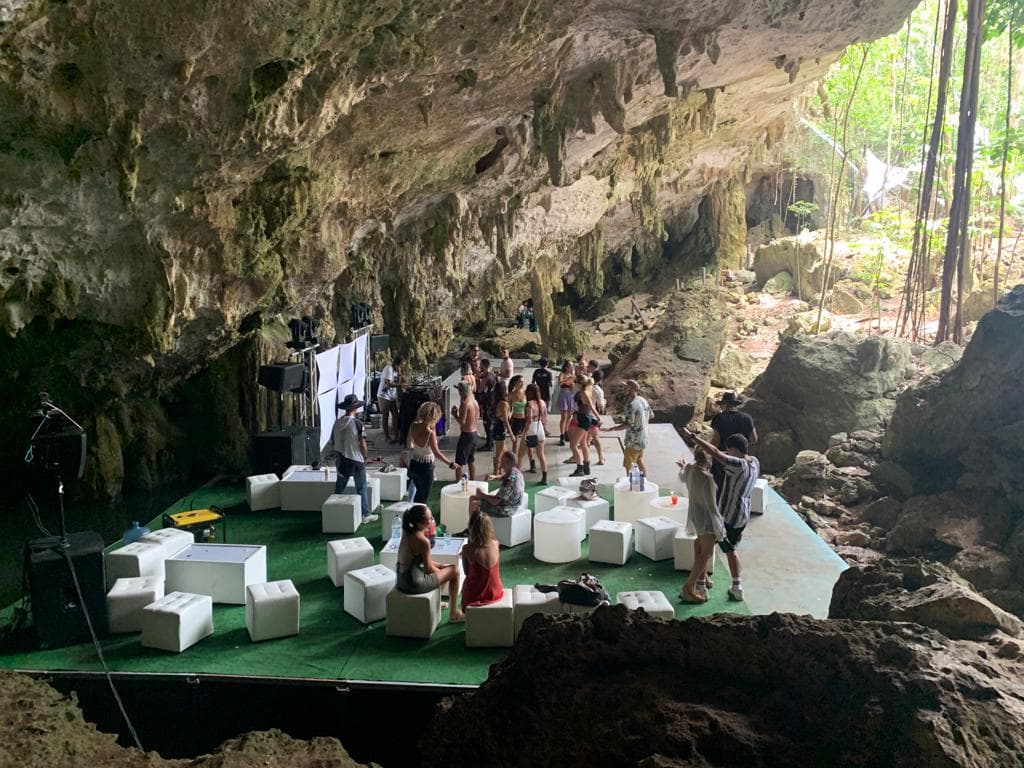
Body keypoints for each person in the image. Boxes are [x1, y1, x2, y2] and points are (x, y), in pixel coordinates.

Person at [682, 429, 760, 602]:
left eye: (730, 450)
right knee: (718, 547)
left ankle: (704, 585)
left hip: (728, 516)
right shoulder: (754, 461)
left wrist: (695, 438)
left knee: (709, 549)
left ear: (736, 450)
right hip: (742, 515)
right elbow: (721, 454)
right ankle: (720, 584)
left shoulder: (738, 465)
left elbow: (716, 453)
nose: (728, 453)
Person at [396, 504, 464, 622]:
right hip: (413, 583)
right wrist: (446, 574)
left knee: (446, 570)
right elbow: (428, 569)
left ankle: (436, 601)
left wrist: (442, 567)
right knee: (455, 571)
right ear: (419, 523)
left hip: (401, 579)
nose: (432, 520)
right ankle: (454, 614)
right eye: (429, 518)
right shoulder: (423, 541)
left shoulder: (407, 532)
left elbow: (424, 561)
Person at [675, 447, 725, 603]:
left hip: (695, 514)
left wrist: (682, 467)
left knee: (699, 544)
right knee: (706, 553)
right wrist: (720, 521)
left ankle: (703, 578)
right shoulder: (707, 478)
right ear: (709, 460)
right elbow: (712, 505)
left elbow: (682, 477)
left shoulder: (690, 469)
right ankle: (689, 587)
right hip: (706, 517)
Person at [321, 394, 379, 524]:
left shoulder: (337, 423)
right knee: (361, 488)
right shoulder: (357, 423)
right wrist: (365, 456)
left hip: (341, 460)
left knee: (339, 488)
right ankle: (365, 514)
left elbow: (333, 441)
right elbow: (362, 443)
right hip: (355, 460)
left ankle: (332, 511)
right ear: (355, 408)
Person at [404, 401, 460, 504]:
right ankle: (418, 511)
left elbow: (409, 444)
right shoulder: (430, 433)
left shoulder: (413, 425)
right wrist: (450, 463)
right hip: (426, 467)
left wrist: (417, 449)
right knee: (423, 498)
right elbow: (437, 453)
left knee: (417, 491)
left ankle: (411, 506)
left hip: (414, 464)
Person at [603, 379, 652, 476]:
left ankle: (631, 484)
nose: (624, 389)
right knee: (639, 460)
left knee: (629, 466)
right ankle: (644, 481)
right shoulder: (643, 400)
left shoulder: (631, 405)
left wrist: (612, 429)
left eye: (626, 388)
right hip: (643, 438)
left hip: (633, 441)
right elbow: (651, 415)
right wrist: (639, 420)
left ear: (632, 389)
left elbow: (628, 424)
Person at [710, 392, 757, 489]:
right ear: (735, 405)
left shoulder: (719, 418)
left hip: (723, 459)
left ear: (724, 405)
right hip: (742, 460)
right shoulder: (747, 418)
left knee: (720, 488)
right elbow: (754, 439)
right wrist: (740, 447)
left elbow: (716, 441)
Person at [461, 512, 504, 609]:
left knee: (467, 581)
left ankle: (461, 612)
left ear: (471, 528)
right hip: (496, 592)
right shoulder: (496, 543)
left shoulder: (467, 549)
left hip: (476, 596)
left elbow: (466, 572)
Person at [469, 451, 524, 518]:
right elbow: (505, 476)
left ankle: (473, 523)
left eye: (502, 462)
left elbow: (495, 501)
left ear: (508, 463)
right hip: (511, 503)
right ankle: (476, 521)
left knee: (474, 504)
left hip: (506, 509)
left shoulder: (509, 482)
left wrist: (481, 494)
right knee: (473, 498)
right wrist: (495, 477)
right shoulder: (515, 471)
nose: (501, 464)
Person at [568, 375, 599, 477]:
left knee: (573, 445)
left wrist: (598, 418)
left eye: (576, 382)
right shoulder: (583, 391)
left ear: (579, 384)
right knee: (583, 443)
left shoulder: (584, 392)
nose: (574, 384)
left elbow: (591, 406)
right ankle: (586, 467)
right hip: (583, 417)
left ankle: (580, 467)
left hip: (584, 419)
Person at [519, 383, 549, 484]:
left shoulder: (529, 404)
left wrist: (524, 435)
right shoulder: (542, 402)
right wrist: (543, 428)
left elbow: (529, 421)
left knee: (520, 455)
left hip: (531, 429)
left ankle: (516, 478)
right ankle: (544, 478)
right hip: (539, 428)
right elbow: (545, 418)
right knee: (541, 455)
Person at [451, 381, 480, 480]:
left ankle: (457, 483)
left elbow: (462, 422)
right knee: (470, 460)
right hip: (474, 433)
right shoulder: (474, 401)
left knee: (458, 463)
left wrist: (455, 414)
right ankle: (472, 480)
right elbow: (477, 416)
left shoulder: (464, 404)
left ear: (461, 392)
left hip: (466, 435)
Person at [377, 356, 404, 444]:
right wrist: (401, 385)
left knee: (395, 415)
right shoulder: (389, 369)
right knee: (386, 415)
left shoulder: (396, 371)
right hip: (384, 396)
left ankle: (396, 436)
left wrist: (399, 373)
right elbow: (388, 384)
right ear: (397, 364)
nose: (402, 366)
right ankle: (387, 437)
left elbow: (398, 382)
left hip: (392, 396)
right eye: (402, 365)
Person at [490, 380, 512, 475]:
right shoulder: (503, 403)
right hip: (500, 429)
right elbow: (506, 420)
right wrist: (511, 434)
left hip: (497, 428)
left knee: (504, 452)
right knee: (499, 453)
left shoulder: (496, 402)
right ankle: (496, 472)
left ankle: (501, 469)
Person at [476, 358, 498, 450]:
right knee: (491, 422)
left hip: (486, 403)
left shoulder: (486, 378)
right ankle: (491, 441)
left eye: (480, 365)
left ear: (484, 366)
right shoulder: (493, 375)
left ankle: (489, 444)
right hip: (493, 402)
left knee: (487, 423)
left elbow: (479, 391)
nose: (479, 367)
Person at [589, 370, 606, 465]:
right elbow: (601, 407)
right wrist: (604, 402)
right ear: (600, 380)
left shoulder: (585, 386)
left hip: (580, 414)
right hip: (592, 416)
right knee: (595, 438)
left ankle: (579, 458)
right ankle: (600, 458)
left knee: (583, 439)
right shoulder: (599, 390)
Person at [556, 361, 576, 446]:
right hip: (564, 394)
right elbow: (560, 383)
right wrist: (568, 379)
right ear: (566, 367)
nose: (572, 367)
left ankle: (566, 431)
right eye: (570, 366)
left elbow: (574, 386)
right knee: (563, 416)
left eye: (572, 366)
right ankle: (562, 435)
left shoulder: (573, 375)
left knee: (569, 416)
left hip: (570, 395)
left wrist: (573, 382)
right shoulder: (562, 374)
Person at [507, 374, 527, 457]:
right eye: (520, 382)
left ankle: (523, 458)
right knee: (515, 443)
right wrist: (507, 421)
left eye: (523, 382)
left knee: (525, 442)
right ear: (515, 383)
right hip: (515, 419)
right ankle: (514, 460)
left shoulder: (525, 393)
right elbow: (508, 409)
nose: (522, 384)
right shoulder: (511, 395)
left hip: (525, 420)